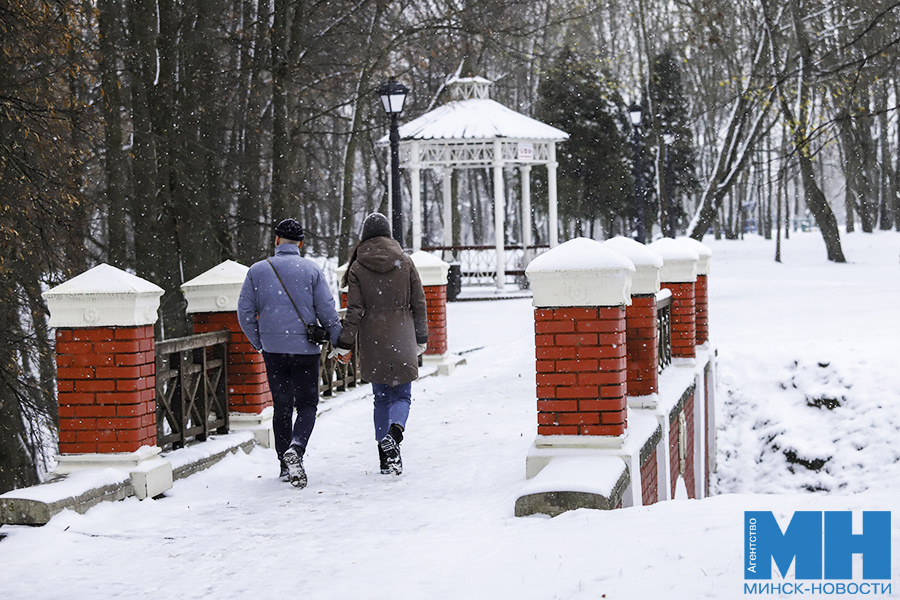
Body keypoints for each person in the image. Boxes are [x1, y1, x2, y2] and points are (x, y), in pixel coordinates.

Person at [237, 218, 341, 488]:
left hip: (273, 350)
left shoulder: (257, 271)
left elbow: (245, 313)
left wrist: (259, 342)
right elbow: (327, 311)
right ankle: (297, 448)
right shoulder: (311, 270)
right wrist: (340, 342)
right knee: (307, 404)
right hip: (305, 350)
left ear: (276, 240)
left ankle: (285, 466)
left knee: (282, 406)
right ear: (301, 243)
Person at [333, 213, 428, 476]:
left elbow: (354, 311)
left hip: (372, 337)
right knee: (402, 395)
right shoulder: (405, 261)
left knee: (381, 399)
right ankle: (395, 435)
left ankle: (385, 459)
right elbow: (419, 303)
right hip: (402, 334)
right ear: (388, 234)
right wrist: (421, 338)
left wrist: (344, 343)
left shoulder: (357, 267)